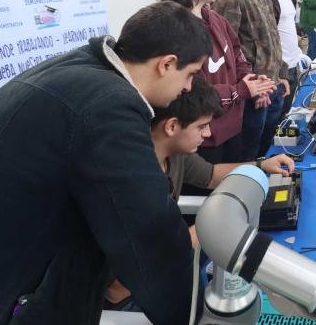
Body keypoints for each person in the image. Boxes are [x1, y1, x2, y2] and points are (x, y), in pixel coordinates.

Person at [0, 1, 214, 324]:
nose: (188, 87)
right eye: (190, 75)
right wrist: (193, 317)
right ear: (167, 64)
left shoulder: (83, 70)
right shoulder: (108, 106)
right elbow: (151, 234)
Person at [104, 76, 295, 310]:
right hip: (129, 302)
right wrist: (211, 227)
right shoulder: (128, 182)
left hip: (164, 273)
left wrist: (261, 165)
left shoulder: (175, 153)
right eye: (201, 127)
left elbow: (211, 174)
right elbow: (116, 289)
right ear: (172, 126)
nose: (206, 134)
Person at [150, 0, 276, 166]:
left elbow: (237, 53)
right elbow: (189, 95)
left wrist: (253, 82)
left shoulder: (214, 18)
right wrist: (241, 91)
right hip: (203, 140)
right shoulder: (174, 32)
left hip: (232, 129)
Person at [214, 0, 290, 160]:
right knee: (248, 161)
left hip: (272, 86)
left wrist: (282, 73)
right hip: (254, 97)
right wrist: (253, 86)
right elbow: (226, 50)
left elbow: (270, 33)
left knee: (265, 156)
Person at [265, 0, 311, 116]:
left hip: (293, 65)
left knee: (288, 114)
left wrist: (298, 53)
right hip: (279, 69)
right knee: (275, 120)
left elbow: (288, 28)